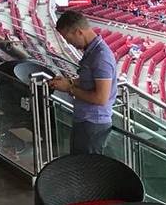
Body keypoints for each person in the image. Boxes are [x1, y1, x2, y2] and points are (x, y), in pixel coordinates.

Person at [50, 11, 117, 154]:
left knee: (86, 168)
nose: (68, 43)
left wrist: (69, 88)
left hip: (93, 124)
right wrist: (69, 82)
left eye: (68, 38)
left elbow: (101, 98)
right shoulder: (91, 52)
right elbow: (88, 81)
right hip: (85, 121)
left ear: (78, 32)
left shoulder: (101, 57)